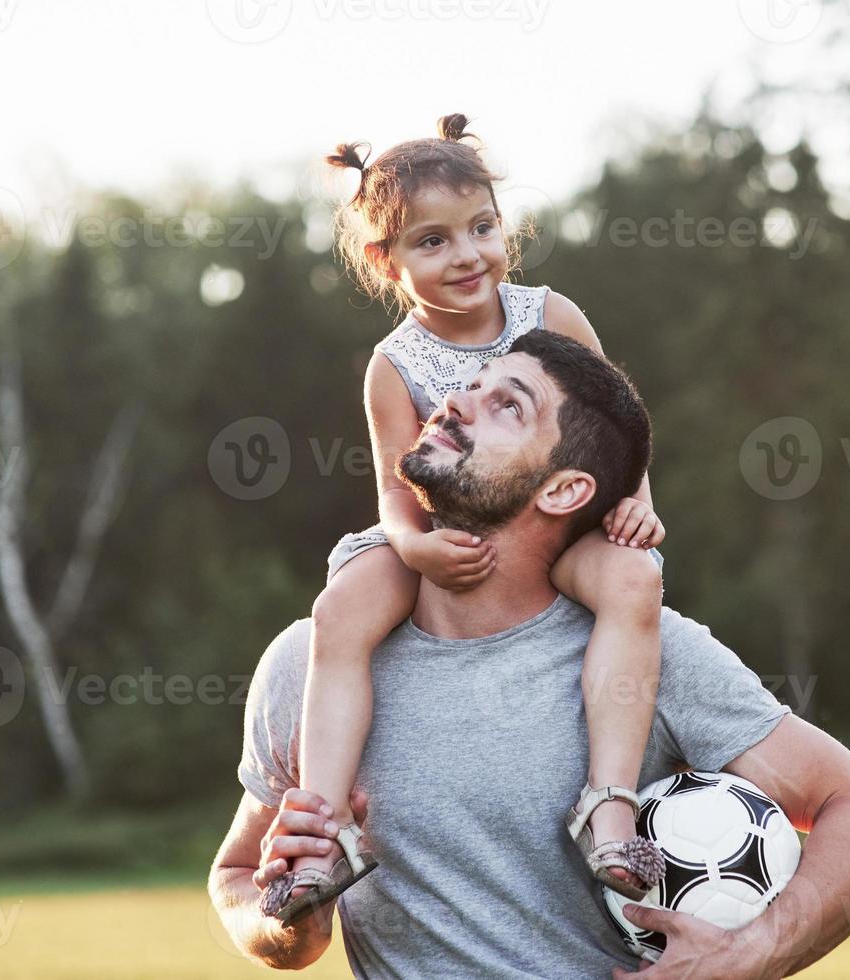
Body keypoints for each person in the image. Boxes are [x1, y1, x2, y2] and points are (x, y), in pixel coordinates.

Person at [209, 329, 850, 977]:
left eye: (506, 406)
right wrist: (289, 918)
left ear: (564, 489)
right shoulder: (314, 658)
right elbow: (240, 879)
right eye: (470, 384)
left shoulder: (648, 654)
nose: (454, 402)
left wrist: (754, 953)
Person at [267, 113, 668, 924]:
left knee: (634, 579)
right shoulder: (392, 365)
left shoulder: (550, 314)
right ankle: (325, 829)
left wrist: (637, 503)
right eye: (433, 241)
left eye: (481, 227)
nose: (468, 255)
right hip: (436, 533)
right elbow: (391, 484)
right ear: (384, 261)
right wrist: (413, 546)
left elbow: (615, 423)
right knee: (339, 612)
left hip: (551, 531)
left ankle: (610, 807)